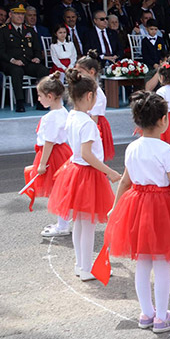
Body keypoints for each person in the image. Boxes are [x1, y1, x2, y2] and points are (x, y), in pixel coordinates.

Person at [105, 91, 170, 332]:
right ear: (163, 120)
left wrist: (115, 208)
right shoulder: (167, 150)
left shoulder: (132, 148)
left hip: (136, 206)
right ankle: (162, 317)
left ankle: (147, 314)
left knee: (143, 262)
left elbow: (125, 182)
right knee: (161, 263)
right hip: (160, 208)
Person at [47, 68, 121, 281]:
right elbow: (88, 154)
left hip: (76, 172)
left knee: (80, 222)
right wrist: (110, 172)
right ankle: (87, 268)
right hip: (88, 174)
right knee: (87, 224)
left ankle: (81, 264)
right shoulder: (87, 123)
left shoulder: (73, 116)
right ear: (90, 96)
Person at [32, 75, 74, 238]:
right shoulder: (63, 111)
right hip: (62, 151)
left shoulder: (51, 117)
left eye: (40, 96)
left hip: (53, 155)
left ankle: (63, 225)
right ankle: (63, 221)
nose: (39, 99)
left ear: (49, 97)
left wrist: (42, 164)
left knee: (58, 191)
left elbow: (49, 142)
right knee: (61, 189)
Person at [0, 3, 46, 112]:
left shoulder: (29, 29)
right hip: (11, 63)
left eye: (22, 14)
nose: (20, 17)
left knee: (43, 70)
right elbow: (0, 51)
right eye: (17, 14)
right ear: (10, 14)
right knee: (17, 71)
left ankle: (41, 101)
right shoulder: (3, 30)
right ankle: (20, 102)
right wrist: (13, 60)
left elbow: (37, 48)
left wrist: (37, 57)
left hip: (28, 62)